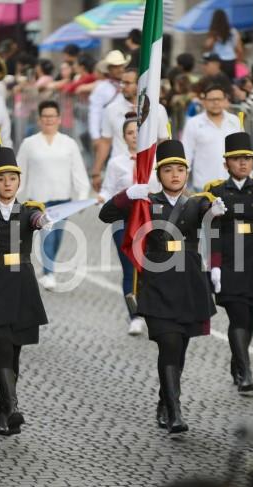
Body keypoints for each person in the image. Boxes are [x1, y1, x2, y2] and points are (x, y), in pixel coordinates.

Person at [99, 140, 227, 433]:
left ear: (186, 172)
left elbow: (210, 213)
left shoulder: (196, 201)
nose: (174, 175)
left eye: (180, 170)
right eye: (168, 170)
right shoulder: (146, 202)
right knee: (168, 343)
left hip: (189, 282)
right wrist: (127, 195)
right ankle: (175, 410)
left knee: (180, 346)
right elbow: (105, 215)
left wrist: (216, 211)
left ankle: (165, 399)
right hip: (157, 282)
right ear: (160, 173)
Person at [0, 145, 53, 436]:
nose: (7, 184)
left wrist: (43, 223)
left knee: (14, 355)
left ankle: (1, 409)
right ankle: (13, 407)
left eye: (12, 179)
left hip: (22, 289)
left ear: (19, 181)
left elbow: (35, 220)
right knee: (2, 349)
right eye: (1, 179)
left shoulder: (29, 210)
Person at [205, 127, 253, 392]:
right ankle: (246, 372)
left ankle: (237, 365)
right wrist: (214, 265)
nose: (243, 163)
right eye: (237, 158)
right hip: (230, 258)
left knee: (249, 318)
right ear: (226, 162)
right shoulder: (216, 190)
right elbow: (213, 230)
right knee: (238, 317)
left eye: (247, 158)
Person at [16, 100, 90, 290]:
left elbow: (78, 171)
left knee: (57, 236)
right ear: (39, 119)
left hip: (62, 198)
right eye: (45, 116)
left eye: (52, 116)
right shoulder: (29, 144)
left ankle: (48, 269)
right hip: (38, 199)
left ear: (59, 119)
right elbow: (19, 172)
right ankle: (49, 273)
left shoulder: (69, 144)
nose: (49, 120)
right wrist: (14, 197)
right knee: (47, 234)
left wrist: (82, 197)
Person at [98, 113, 160, 335]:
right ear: (124, 137)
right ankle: (134, 315)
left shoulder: (156, 161)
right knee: (129, 267)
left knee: (151, 266)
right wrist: (104, 199)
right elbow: (108, 190)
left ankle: (153, 310)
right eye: (130, 133)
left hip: (151, 220)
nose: (135, 136)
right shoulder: (116, 163)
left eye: (138, 132)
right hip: (124, 220)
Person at [97, 68, 170, 167]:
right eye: (122, 83)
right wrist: (96, 170)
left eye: (127, 83)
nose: (122, 86)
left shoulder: (158, 110)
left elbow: (164, 141)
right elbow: (105, 141)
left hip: (148, 169)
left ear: (140, 85)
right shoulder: (111, 109)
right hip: (120, 168)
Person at [181, 83, 240, 189]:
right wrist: (182, 185)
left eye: (219, 99)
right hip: (203, 187)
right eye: (211, 100)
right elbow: (186, 155)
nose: (216, 102)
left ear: (225, 100)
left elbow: (242, 152)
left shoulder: (234, 121)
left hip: (232, 185)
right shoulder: (194, 123)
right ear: (204, 102)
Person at [88, 50, 129, 185]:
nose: (119, 69)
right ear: (109, 69)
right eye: (116, 66)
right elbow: (95, 112)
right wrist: (96, 136)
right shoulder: (102, 88)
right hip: (107, 133)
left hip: (128, 131)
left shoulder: (131, 85)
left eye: (121, 66)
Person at [203, 9, 242, 80]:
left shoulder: (213, 33)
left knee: (217, 84)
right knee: (230, 84)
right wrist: (238, 62)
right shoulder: (233, 31)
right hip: (231, 61)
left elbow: (207, 46)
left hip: (217, 61)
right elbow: (239, 50)